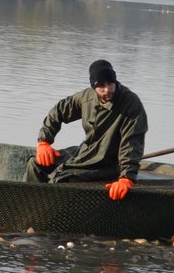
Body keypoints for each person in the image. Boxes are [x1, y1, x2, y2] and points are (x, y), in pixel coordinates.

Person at [25, 59, 147, 201]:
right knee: (35, 163)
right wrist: (44, 142)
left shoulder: (131, 103)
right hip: (84, 152)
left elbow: (132, 143)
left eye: (110, 83)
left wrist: (127, 177)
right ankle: (30, 208)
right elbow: (58, 112)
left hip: (108, 163)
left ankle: (48, 216)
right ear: (93, 86)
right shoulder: (86, 97)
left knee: (61, 178)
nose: (107, 89)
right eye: (101, 85)